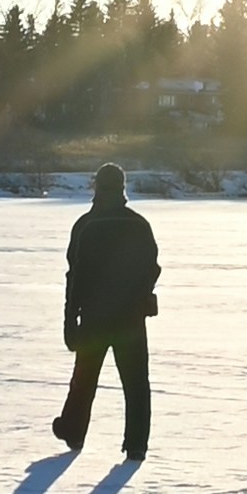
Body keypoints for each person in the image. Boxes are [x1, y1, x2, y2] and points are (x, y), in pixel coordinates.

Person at [54, 161, 159, 457]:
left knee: (84, 379)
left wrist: (70, 320)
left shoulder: (85, 225)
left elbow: (75, 277)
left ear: (97, 188)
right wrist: (139, 295)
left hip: (94, 319)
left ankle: (73, 431)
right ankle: (136, 445)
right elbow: (152, 268)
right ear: (122, 188)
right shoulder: (139, 225)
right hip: (130, 319)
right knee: (136, 383)